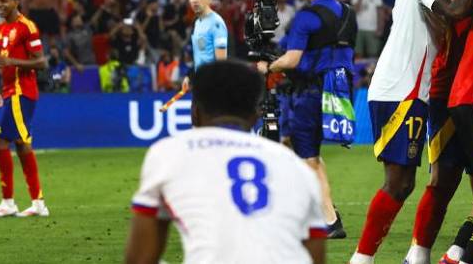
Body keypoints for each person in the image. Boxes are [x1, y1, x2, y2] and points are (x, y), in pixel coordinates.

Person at [350, 0, 473, 264]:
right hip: (400, 91)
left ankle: (393, 257)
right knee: (398, 182)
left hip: (409, 92)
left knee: (404, 182)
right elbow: (455, 12)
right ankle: (361, 259)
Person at [124, 60, 327, 264]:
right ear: (255, 115)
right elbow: (315, 255)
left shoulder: (168, 154)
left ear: (194, 112)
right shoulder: (294, 165)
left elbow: (139, 259)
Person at [256, 0, 357, 239]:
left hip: (312, 92)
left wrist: (269, 67)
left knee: (308, 155)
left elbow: (292, 59)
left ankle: (329, 220)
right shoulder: (349, 13)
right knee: (296, 146)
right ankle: (319, 205)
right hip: (340, 90)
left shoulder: (306, 16)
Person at [0, 0, 50, 217]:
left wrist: (13, 62)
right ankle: (38, 203)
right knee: (22, 145)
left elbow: (42, 62)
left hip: (21, 92)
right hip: (8, 93)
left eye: (4, 0)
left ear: (16, 1)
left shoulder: (27, 27)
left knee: (0, 142)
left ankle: (8, 201)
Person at [187, 0, 228, 80]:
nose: (195, 0)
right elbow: (201, 56)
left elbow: (221, 62)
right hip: (200, 81)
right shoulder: (197, 22)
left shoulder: (216, 22)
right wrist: (190, 76)